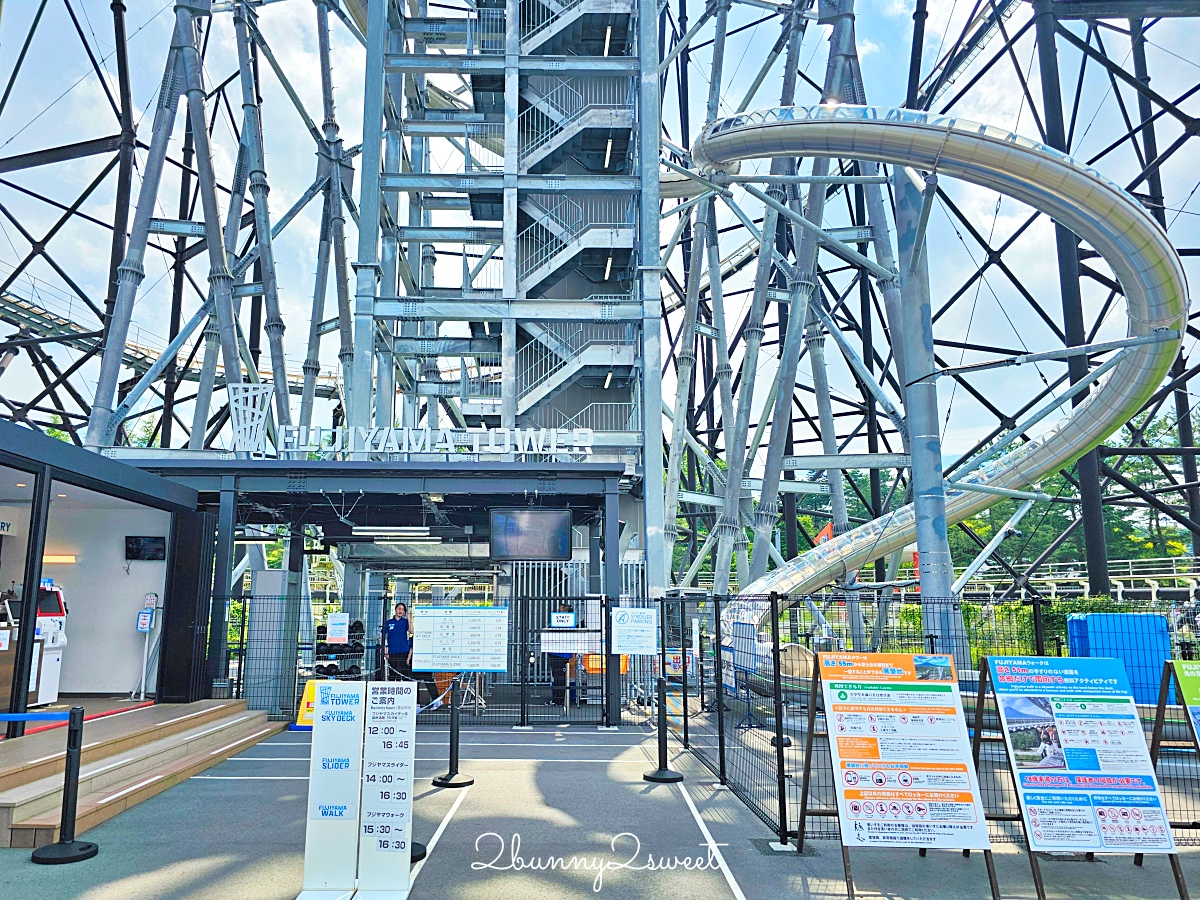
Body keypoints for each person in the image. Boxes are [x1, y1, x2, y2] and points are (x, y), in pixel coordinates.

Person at [545, 602, 573, 708]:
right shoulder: (570, 623)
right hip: (561, 653)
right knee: (559, 677)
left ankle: (558, 700)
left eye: (561, 609)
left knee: (558, 677)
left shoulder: (559, 623)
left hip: (557, 652)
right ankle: (559, 699)